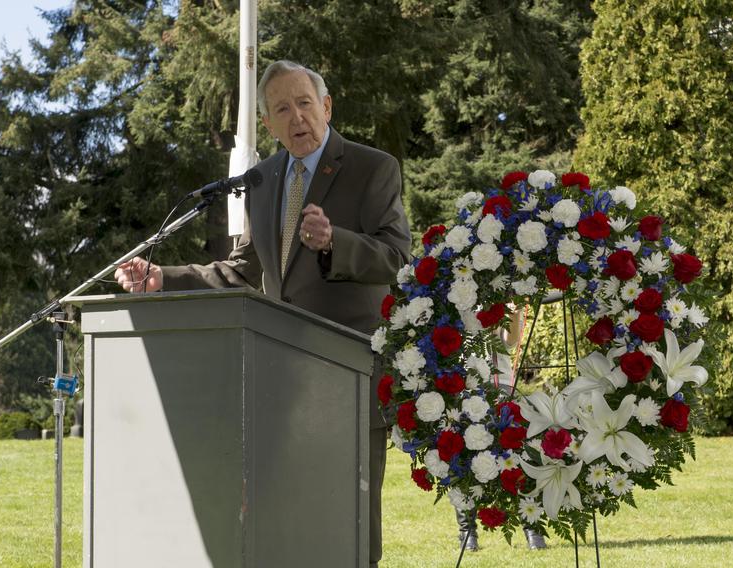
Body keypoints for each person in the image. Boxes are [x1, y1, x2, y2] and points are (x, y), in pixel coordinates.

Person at [114, 59, 411, 568]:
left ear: (327, 106)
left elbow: (398, 257)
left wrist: (334, 241)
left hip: (351, 378)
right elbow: (242, 271)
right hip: (280, 382)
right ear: (268, 123)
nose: (296, 116)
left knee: (353, 531)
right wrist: (165, 278)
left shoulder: (372, 167)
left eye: (303, 102)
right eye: (281, 108)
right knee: (284, 522)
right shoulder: (263, 179)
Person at [455, 307, 548, 551]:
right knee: (466, 456)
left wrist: (514, 313)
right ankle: (467, 532)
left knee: (518, 455)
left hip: (503, 382)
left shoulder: (500, 286)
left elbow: (511, 341)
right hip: (468, 382)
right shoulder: (457, 291)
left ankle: (532, 528)